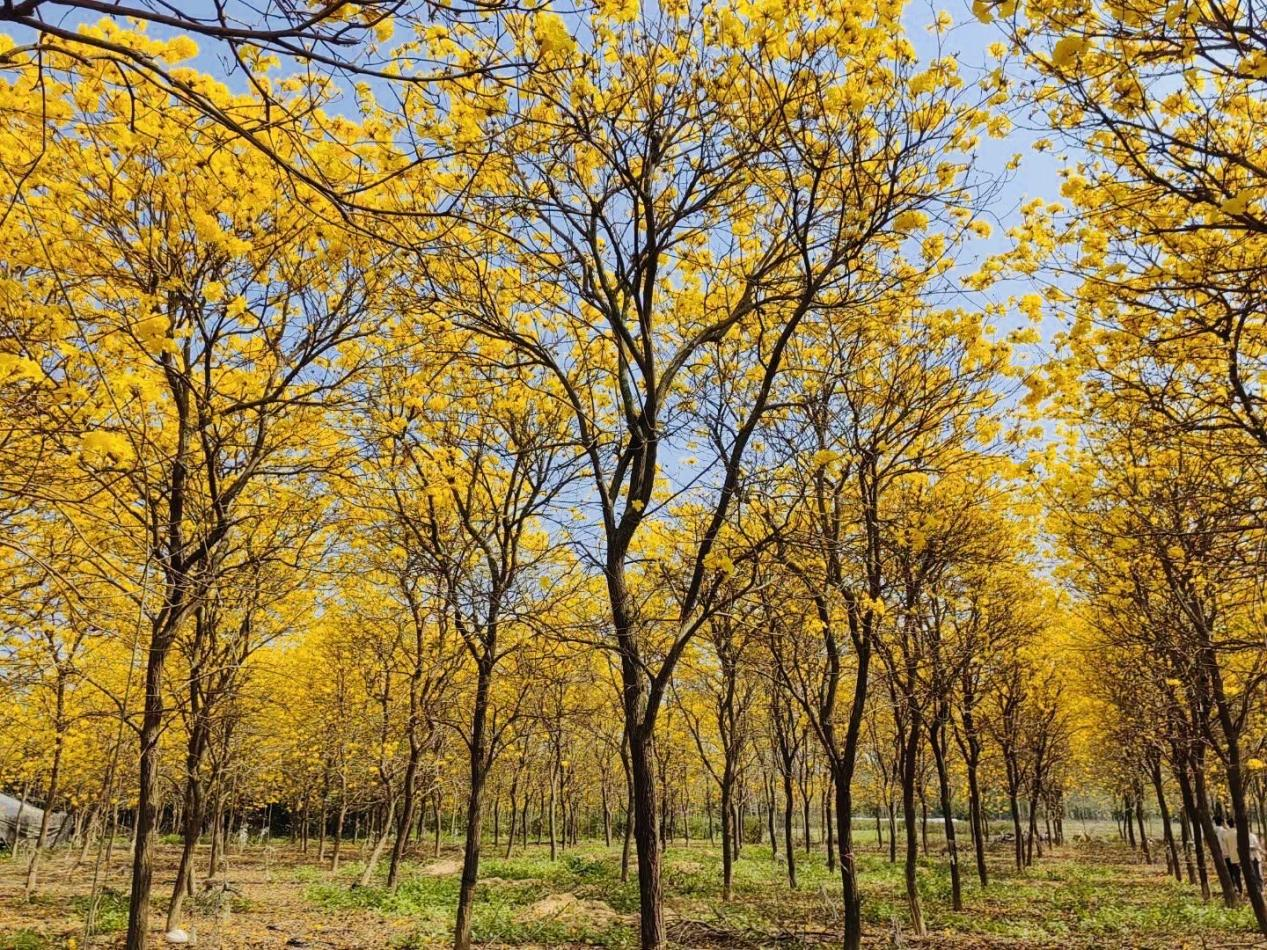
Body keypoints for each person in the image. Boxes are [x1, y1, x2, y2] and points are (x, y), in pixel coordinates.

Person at [1219, 817, 1244, 895]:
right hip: (1242, 856)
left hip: (1232, 857)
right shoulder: (1239, 833)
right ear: (1235, 824)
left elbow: (1225, 848)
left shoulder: (1226, 835)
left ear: (1228, 824)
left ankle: (1239, 890)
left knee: (1236, 875)